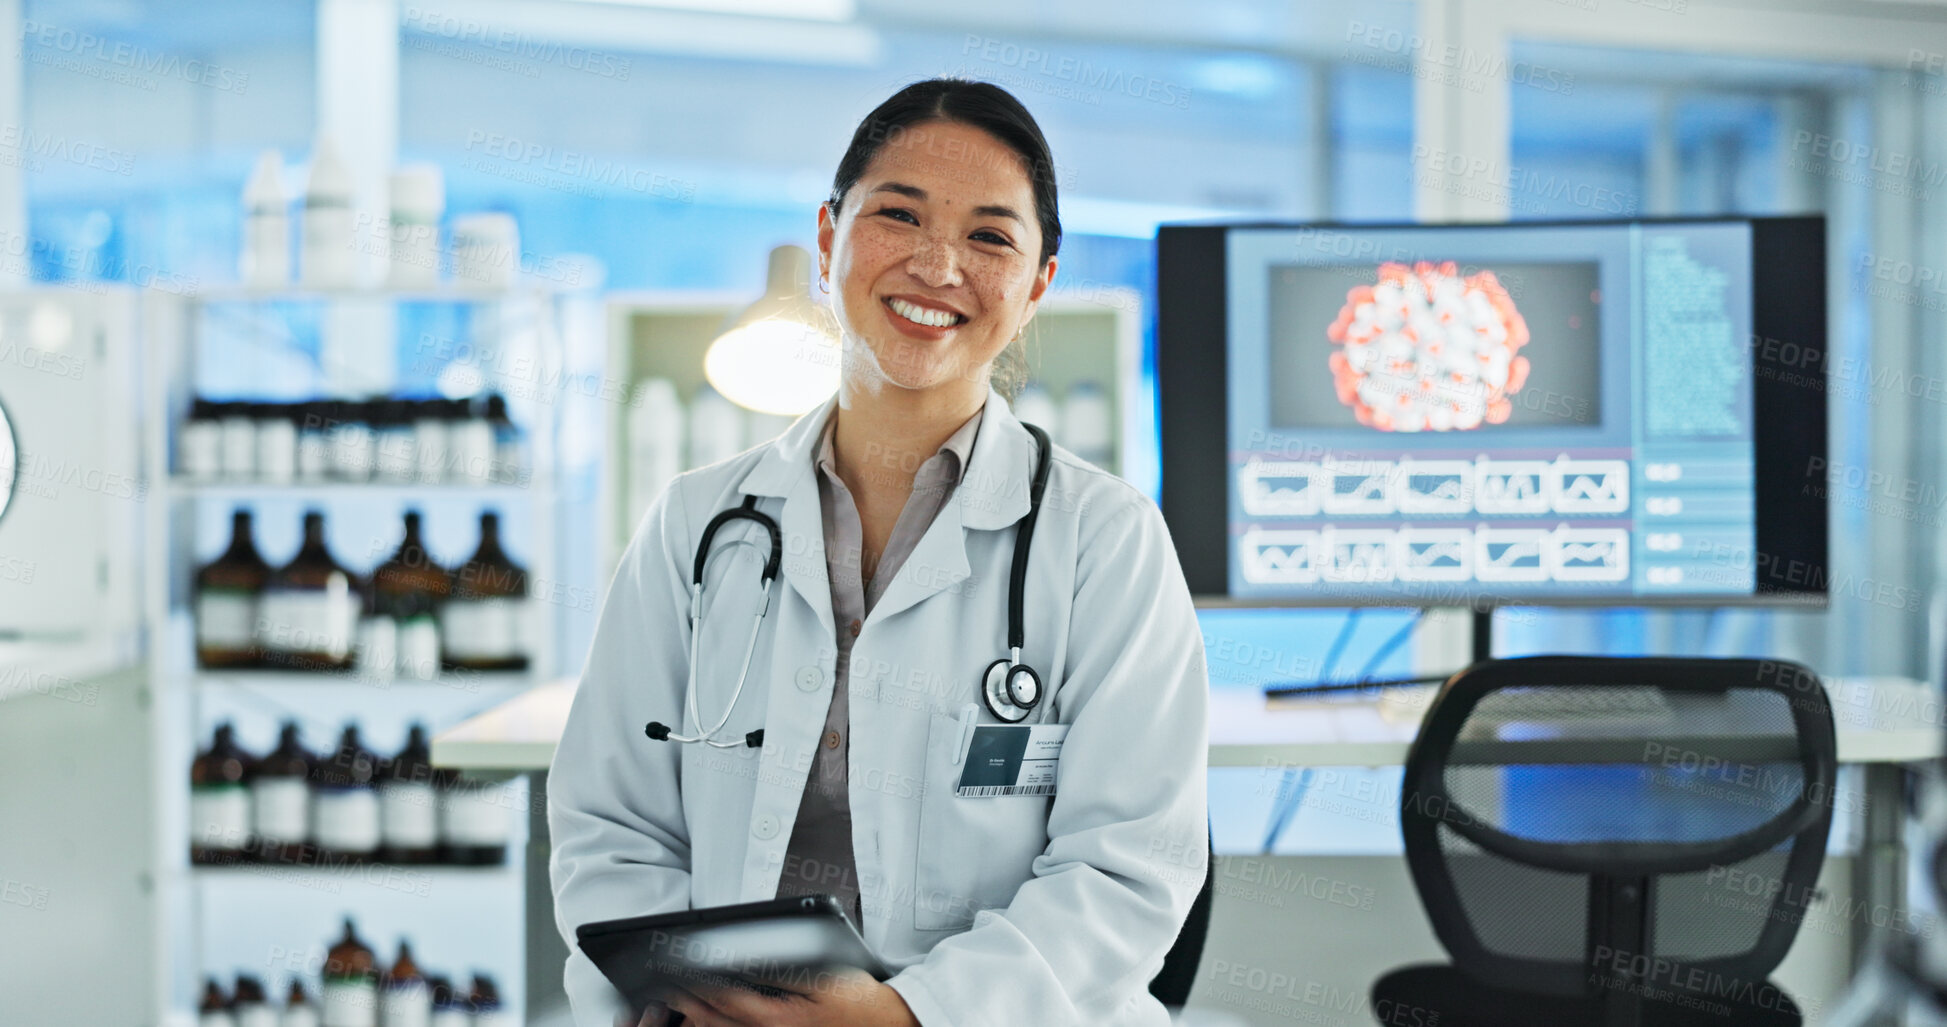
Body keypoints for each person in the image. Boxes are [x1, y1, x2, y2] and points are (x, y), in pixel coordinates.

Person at [548, 77, 1210, 1026]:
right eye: (898, 215)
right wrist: (671, 1001)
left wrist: (907, 1017)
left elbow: (1127, 867)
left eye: (989, 236)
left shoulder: (1104, 541)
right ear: (828, 240)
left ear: (1037, 286)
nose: (939, 265)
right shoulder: (697, 524)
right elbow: (610, 826)